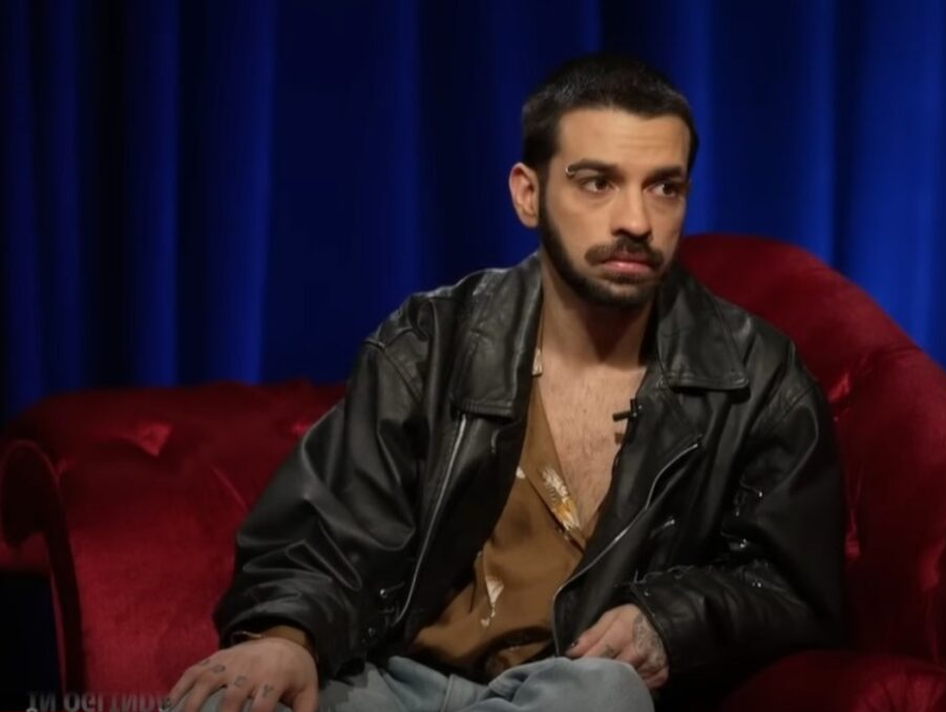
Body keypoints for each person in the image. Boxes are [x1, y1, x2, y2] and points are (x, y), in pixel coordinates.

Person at [164, 52, 844, 712]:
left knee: (606, 694)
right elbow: (329, 532)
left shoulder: (757, 379)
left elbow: (794, 589)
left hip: (568, 693)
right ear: (528, 194)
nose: (637, 221)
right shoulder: (431, 342)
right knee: (229, 698)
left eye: (664, 187)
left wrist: (670, 620)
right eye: (597, 183)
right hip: (397, 683)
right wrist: (286, 639)